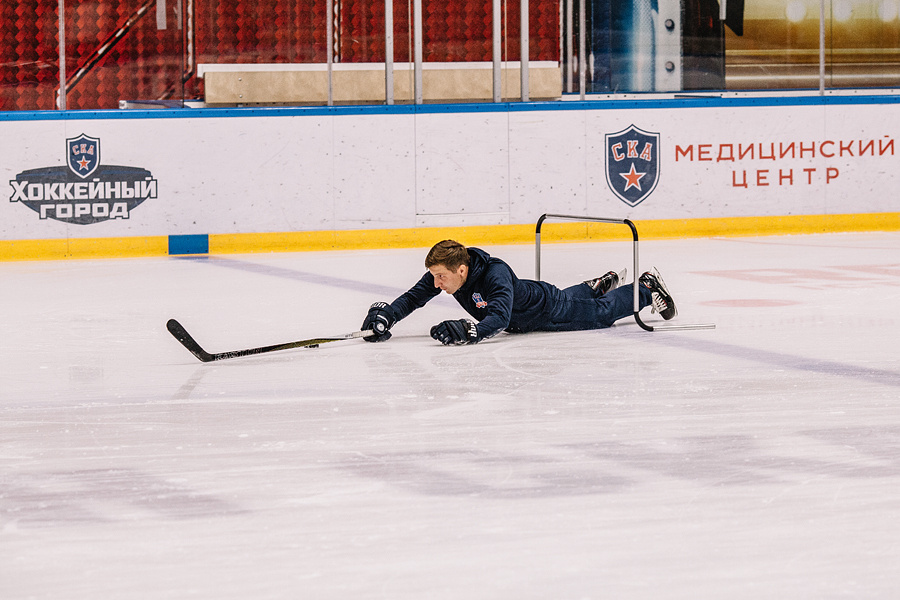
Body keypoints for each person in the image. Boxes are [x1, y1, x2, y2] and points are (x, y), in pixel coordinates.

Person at [361, 239, 676, 345]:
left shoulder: (495, 274)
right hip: (528, 308)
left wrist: (471, 331)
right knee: (579, 300)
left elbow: (498, 318)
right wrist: (388, 315)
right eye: (434, 277)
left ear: (461, 270)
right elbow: (413, 297)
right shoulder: (445, 272)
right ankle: (595, 286)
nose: (437, 284)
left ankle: (645, 287)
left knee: (601, 315)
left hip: (546, 309)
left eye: (441, 277)